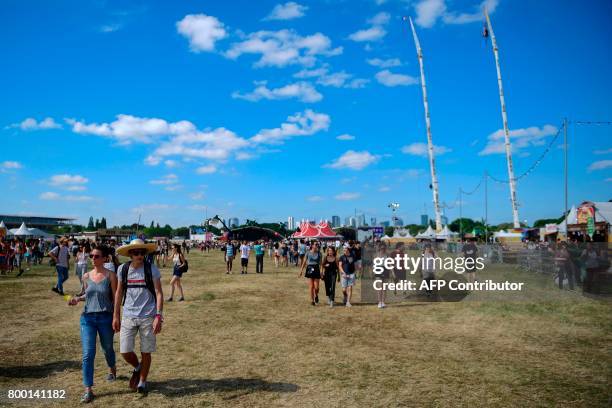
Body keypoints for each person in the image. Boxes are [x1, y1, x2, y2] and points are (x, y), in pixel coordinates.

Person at [113, 239, 163, 395]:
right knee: (125, 350)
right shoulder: (123, 269)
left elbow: (159, 293)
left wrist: (158, 316)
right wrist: (116, 315)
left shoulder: (151, 269)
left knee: (146, 351)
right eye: (136, 253)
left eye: (142, 252)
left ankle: (142, 382)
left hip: (148, 316)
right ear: (130, 254)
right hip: (128, 314)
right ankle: (138, 367)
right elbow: (119, 292)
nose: (139, 255)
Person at [68, 246, 118, 403]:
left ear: (104, 258)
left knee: (107, 348)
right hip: (88, 318)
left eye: (97, 256)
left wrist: (117, 317)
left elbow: (116, 298)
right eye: (91, 256)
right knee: (88, 354)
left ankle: (112, 368)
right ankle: (88, 389)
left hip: (105, 317)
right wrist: (77, 299)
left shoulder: (111, 275)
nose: (93, 258)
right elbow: (87, 294)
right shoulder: (85, 276)